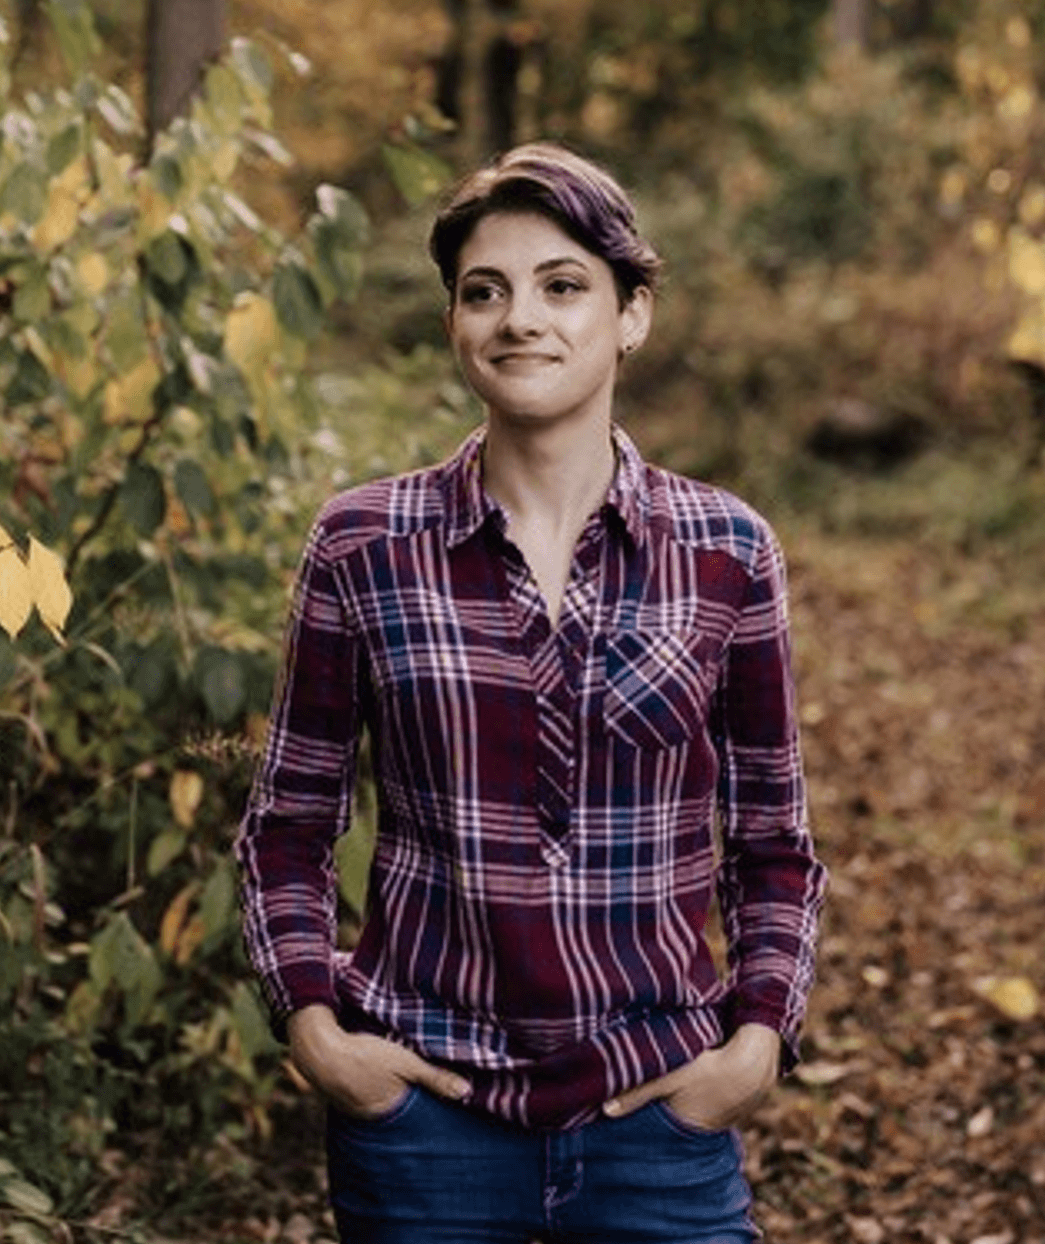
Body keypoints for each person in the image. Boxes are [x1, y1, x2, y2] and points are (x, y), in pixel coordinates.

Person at [235, 142, 828, 1243]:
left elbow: (771, 840)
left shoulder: (725, 549)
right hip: (423, 1124)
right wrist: (317, 1030)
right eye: (483, 291)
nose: (521, 319)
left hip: (659, 1115)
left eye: (562, 286)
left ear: (631, 312)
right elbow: (288, 823)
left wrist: (752, 1044)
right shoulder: (363, 541)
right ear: (455, 322)